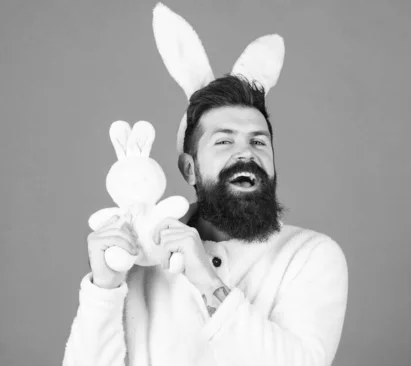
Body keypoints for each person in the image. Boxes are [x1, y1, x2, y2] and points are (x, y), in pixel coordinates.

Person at [62, 6, 348, 365]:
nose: (246, 154)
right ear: (190, 168)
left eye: (258, 142)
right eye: (224, 142)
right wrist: (103, 290)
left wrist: (206, 279)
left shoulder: (310, 256)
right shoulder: (140, 258)